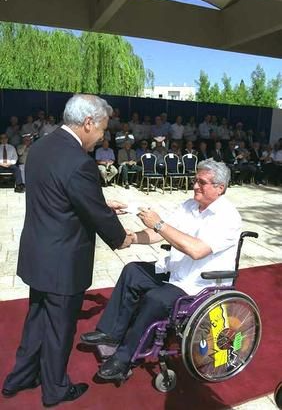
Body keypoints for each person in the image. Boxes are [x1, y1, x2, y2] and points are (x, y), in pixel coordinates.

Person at [1, 94, 133, 407]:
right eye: (102, 128)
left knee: (37, 321)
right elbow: (93, 211)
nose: (103, 135)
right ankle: (55, 389)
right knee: (60, 329)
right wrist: (121, 237)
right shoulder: (79, 162)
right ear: (88, 123)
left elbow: (60, 195)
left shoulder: (42, 146)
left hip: (38, 253)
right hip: (64, 263)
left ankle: (18, 378)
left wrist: (100, 202)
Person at [81, 159, 242, 382]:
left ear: (219, 188)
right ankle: (111, 332)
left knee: (156, 299)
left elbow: (196, 250)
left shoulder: (228, 217)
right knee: (133, 271)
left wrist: (158, 224)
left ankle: (124, 357)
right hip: (176, 271)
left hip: (199, 283)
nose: (195, 186)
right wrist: (133, 239)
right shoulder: (189, 206)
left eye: (201, 182)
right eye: (195, 180)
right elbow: (160, 234)